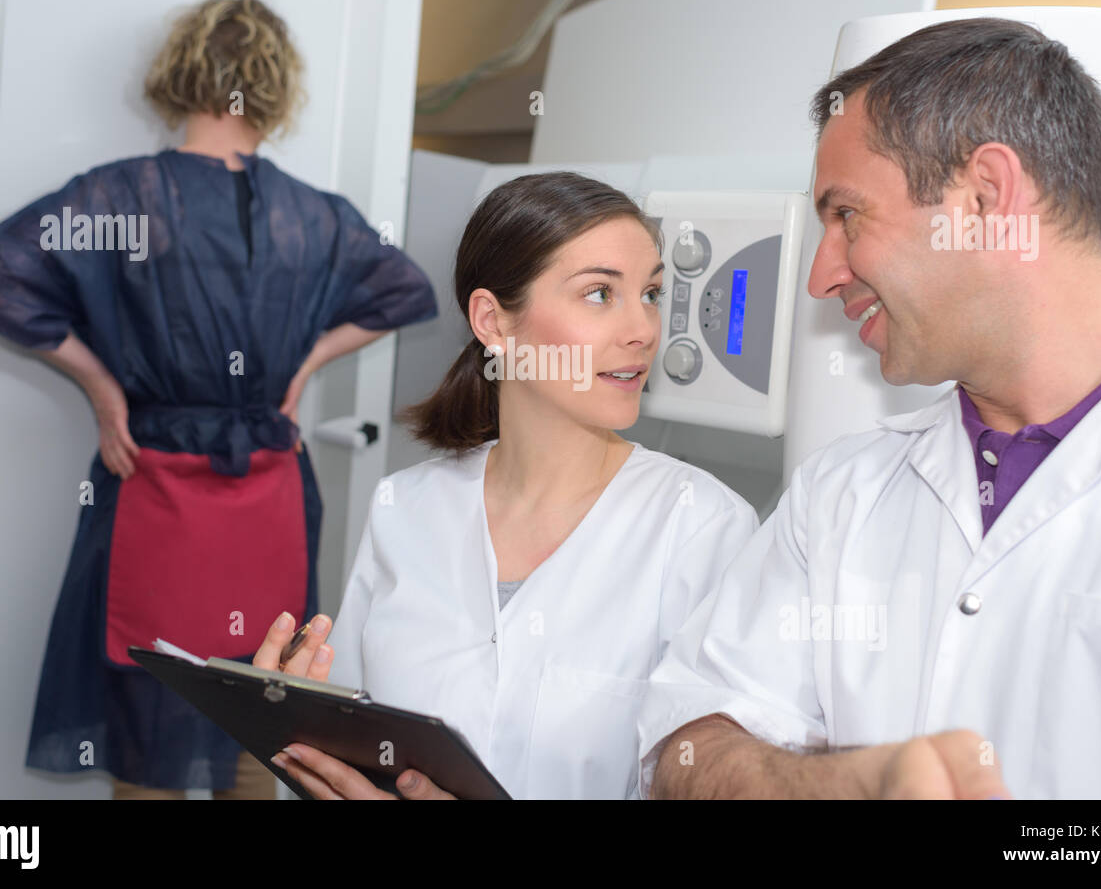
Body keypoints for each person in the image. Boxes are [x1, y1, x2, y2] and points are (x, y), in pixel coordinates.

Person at [639, 17, 1101, 799]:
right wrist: (844, 785)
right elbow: (686, 742)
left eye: (846, 215)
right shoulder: (840, 495)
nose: (820, 275)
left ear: (984, 196)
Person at [0, 0, 437, 799]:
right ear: (274, 88)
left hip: (156, 478)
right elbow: (406, 289)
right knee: (265, 705)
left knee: (152, 708)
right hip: (268, 489)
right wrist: (306, 364)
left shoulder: (119, 197)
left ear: (178, 74)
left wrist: (102, 385)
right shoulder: (316, 217)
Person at [252, 171, 760, 799]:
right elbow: (370, 744)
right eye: (601, 293)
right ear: (493, 322)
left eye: (651, 293)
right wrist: (309, 739)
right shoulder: (404, 507)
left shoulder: (702, 525)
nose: (644, 329)